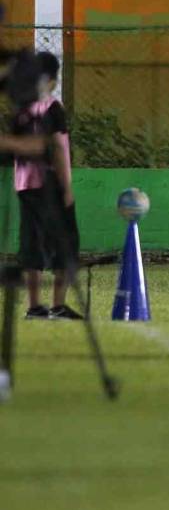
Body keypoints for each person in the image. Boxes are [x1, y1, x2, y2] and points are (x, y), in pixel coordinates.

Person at [6, 52, 81, 320]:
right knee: (64, 243)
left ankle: (34, 306)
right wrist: (67, 187)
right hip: (49, 185)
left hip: (24, 185)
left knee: (31, 244)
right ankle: (58, 305)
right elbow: (58, 150)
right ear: (51, 79)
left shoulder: (22, 111)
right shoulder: (52, 108)